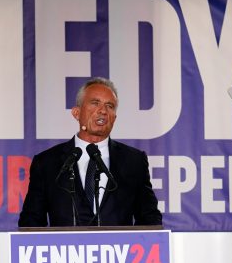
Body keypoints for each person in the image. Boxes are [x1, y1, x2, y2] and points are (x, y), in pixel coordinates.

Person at [18, 77, 162, 227]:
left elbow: (149, 219)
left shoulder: (134, 162)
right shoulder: (47, 163)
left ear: (114, 118)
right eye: (95, 103)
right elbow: (31, 222)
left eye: (110, 106)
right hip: (65, 250)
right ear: (76, 113)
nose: (103, 111)